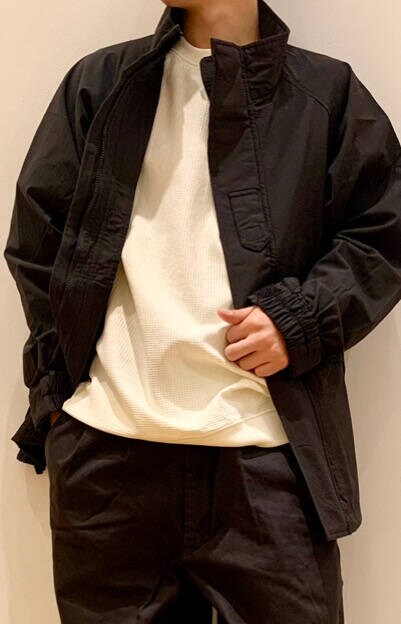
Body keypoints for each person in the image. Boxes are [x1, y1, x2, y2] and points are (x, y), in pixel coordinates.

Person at [4, 0, 401, 622]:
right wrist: (56, 397)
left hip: (266, 462)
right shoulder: (100, 84)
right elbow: (38, 242)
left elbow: (384, 233)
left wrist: (298, 319)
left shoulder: (325, 94)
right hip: (109, 462)